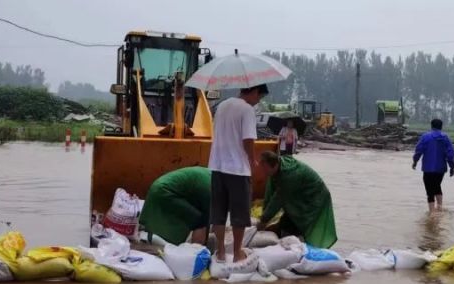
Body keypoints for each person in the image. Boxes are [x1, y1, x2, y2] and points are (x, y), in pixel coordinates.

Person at [209, 84, 267, 262]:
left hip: (217, 166)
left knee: (218, 213)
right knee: (239, 214)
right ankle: (236, 253)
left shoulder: (222, 106)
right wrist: (252, 159)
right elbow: (248, 139)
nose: (258, 102)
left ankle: (220, 252)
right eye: (259, 97)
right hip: (237, 169)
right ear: (255, 91)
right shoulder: (247, 110)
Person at [256, 151, 337, 248]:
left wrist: (264, 221)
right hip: (298, 195)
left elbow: (277, 200)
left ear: (274, 165)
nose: (263, 173)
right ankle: (289, 245)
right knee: (286, 222)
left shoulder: (289, 176)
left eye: (265, 169)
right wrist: (263, 216)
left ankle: (296, 248)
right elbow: (269, 194)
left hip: (314, 197)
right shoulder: (276, 171)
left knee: (296, 224)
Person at [139, 166, 211, 246]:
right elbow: (206, 220)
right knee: (200, 221)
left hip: (160, 187)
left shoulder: (212, 176)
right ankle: (196, 251)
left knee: (199, 217)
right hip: (165, 192)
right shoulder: (211, 189)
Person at [412, 118, 454, 212]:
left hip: (428, 168)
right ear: (441, 126)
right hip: (441, 169)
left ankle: (432, 214)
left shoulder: (425, 137)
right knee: (436, 186)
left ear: (431, 126)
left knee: (430, 191)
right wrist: (452, 167)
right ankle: (440, 208)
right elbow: (450, 154)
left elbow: (418, 150)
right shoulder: (445, 138)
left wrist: (415, 161)